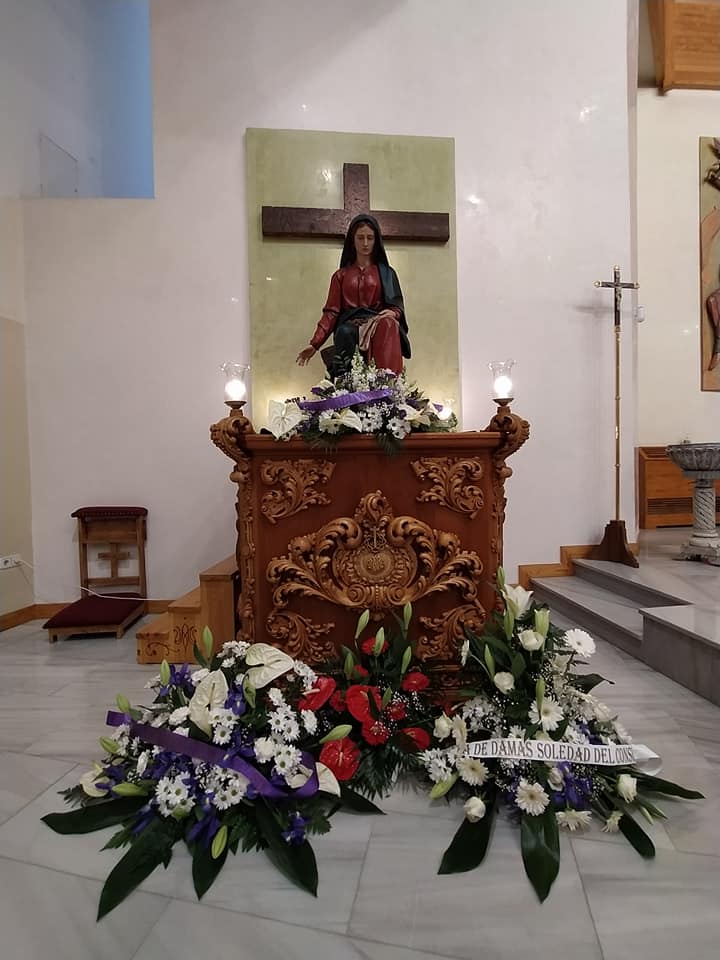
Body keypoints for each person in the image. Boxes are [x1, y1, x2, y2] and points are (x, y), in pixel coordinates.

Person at [296, 214, 410, 377]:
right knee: (344, 332)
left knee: (387, 325)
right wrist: (315, 344)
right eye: (360, 238)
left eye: (370, 238)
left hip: (377, 324)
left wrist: (393, 312)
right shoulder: (340, 276)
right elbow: (331, 312)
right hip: (349, 325)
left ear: (376, 240)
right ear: (352, 240)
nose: (365, 243)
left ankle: (386, 382)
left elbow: (396, 305)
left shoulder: (387, 273)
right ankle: (347, 383)